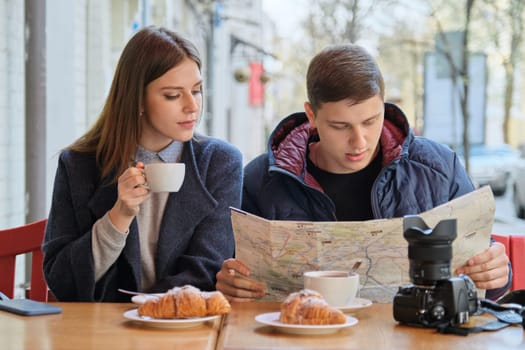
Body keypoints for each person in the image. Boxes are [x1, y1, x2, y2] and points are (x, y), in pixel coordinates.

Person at [216, 43, 511, 302]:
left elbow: (487, 273)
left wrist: (497, 272)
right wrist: (229, 282)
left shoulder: (440, 168)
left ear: (383, 106)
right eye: (340, 126)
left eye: (371, 121)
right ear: (311, 115)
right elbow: (227, 273)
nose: (359, 141)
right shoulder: (261, 180)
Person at [43, 26, 243, 302]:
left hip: (184, 327)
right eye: (173, 95)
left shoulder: (220, 163)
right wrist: (119, 216)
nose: (192, 106)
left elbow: (205, 271)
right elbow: (61, 279)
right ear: (137, 99)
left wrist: (146, 310)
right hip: (101, 333)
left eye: (196, 91)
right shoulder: (78, 165)